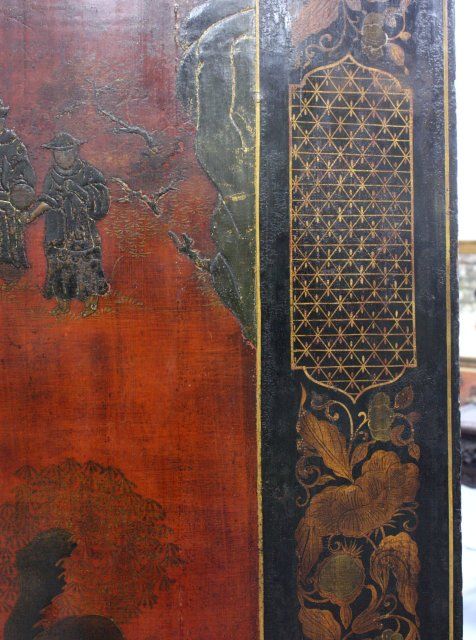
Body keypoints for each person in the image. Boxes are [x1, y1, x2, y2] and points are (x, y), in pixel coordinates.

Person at [27, 133, 110, 317]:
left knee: (87, 268)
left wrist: (77, 189)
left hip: (83, 233)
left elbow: (101, 203)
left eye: (67, 152)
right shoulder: (52, 176)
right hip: (58, 232)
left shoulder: (90, 173)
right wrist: (31, 215)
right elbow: (49, 199)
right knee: (59, 268)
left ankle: (91, 303)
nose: (63, 157)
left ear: (75, 151)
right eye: (58, 153)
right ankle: (63, 304)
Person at [0, 98, 36, 280]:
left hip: (9, 198)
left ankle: (12, 264)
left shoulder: (14, 144)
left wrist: (17, 186)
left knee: (11, 223)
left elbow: (29, 176)